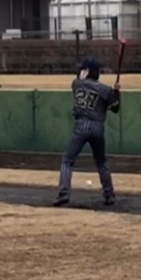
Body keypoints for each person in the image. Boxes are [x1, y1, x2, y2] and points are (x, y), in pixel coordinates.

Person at [53, 56, 121, 207]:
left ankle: (64, 193)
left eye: (83, 69)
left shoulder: (77, 84)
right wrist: (116, 93)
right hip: (97, 127)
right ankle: (109, 195)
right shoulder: (105, 89)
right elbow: (115, 108)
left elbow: (79, 79)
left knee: (67, 160)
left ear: (87, 71)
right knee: (101, 162)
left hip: (81, 125)